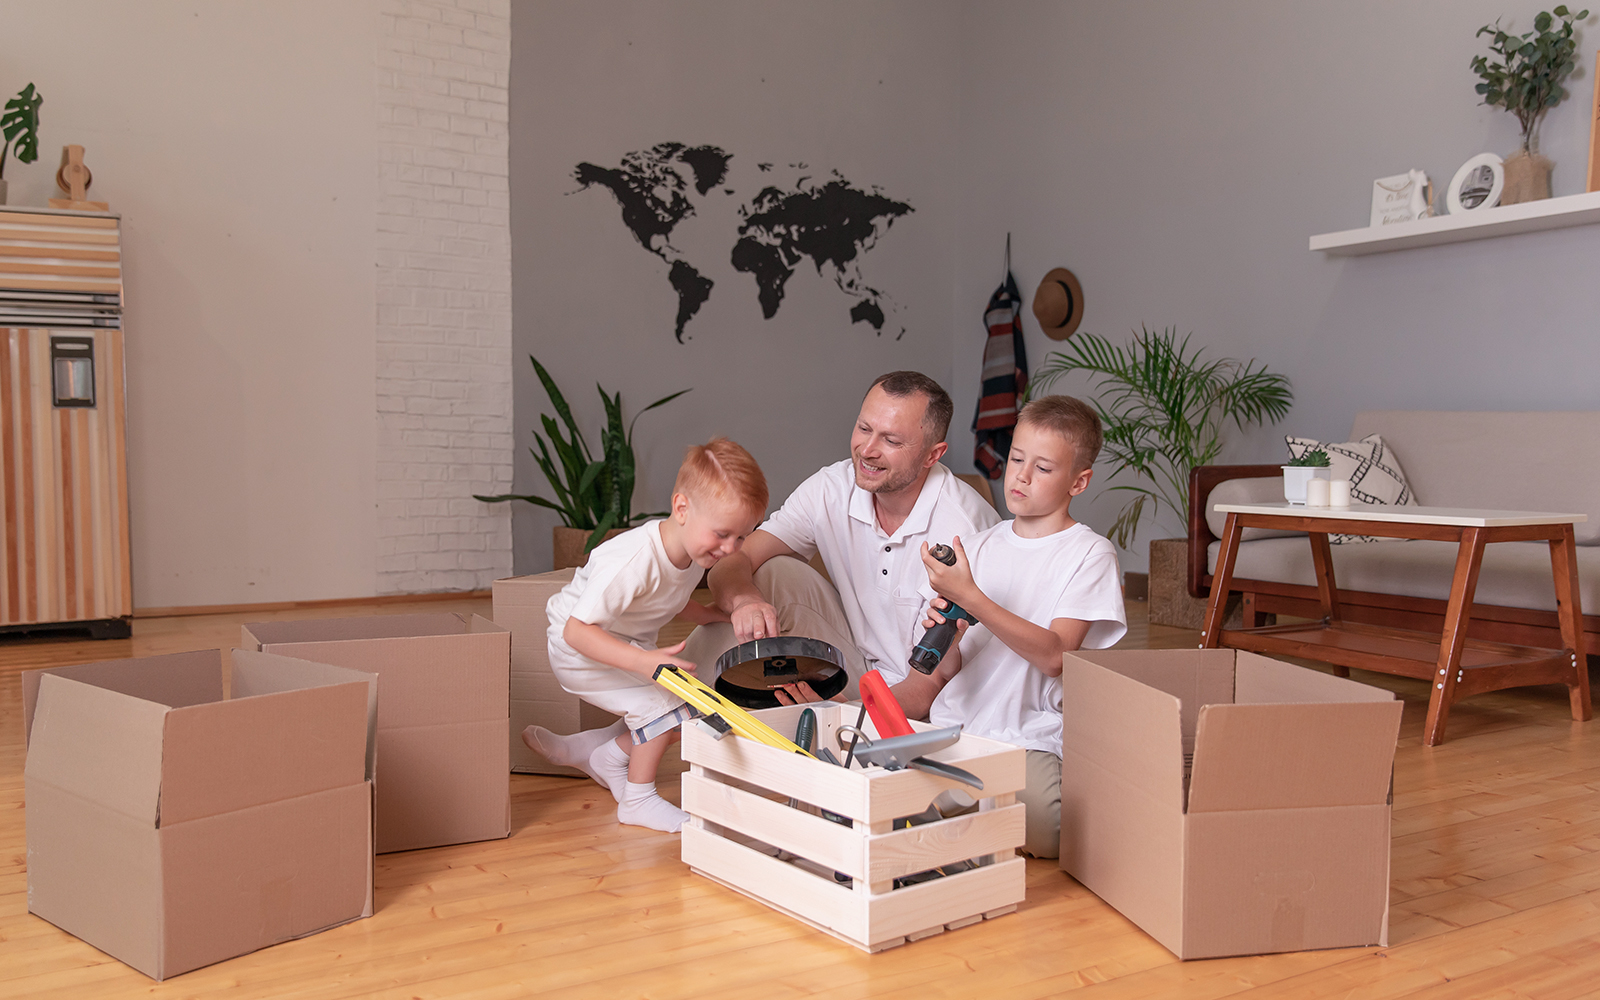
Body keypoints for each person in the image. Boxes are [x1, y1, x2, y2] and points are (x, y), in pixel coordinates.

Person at [697, 370, 1001, 706]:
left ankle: (673, 718)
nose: (867, 450)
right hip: (858, 665)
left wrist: (841, 713)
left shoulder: (966, 533)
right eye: (864, 428)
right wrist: (744, 602)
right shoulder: (832, 488)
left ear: (933, 454)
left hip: (931, 701)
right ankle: (667, 704)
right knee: (769, 573)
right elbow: (734, 560)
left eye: (891, 441)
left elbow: (929, 687)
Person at [914, 395, 1127, 858]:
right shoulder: (978, 546)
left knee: (1049, 830)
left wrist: (971, 596)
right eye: (1015, 459)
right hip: (959, 729)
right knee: (883, 786)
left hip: (1028, 737)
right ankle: (965, 807)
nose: (1022, 476)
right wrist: (945, 630)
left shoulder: (1089, 554)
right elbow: (948, 669)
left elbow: (1055, 656)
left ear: (1079, 481)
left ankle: (954, 809)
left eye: (1044, 468)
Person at [523, 438, 767, 833]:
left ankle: (602, 753)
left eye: (741, 538)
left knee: (686, 704)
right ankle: (637, 799)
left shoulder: (690, 552)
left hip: (621, 643)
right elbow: (576, 631)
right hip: (580, 649)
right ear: (682, 508)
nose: (730, 549)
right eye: (723, 534)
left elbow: (667, 597)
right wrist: (645, 661)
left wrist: (708, 614)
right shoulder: (632, 560)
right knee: (665, 709)